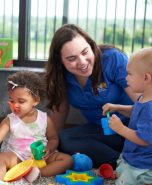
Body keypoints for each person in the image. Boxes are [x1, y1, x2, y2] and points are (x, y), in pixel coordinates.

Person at [45, 24, 139, 169]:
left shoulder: (112, 59)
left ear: (91, 45)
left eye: (85, 52)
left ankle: (130, 159)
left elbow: (143, 104)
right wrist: (49, 144)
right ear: (60, 61)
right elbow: (59, 114)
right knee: (64, 140)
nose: (82, 62)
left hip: (132, 128)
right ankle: (123, 162)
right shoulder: (60, 76)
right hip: (101, 131)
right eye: (71, 58)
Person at [0, 71, 73, 182]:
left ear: (35, 101)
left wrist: (49, 149)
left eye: (21, 101)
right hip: (17, 158)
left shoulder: (45, 119)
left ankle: (37, 173)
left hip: (39, 158)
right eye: (12, 101)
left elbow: (53, 138)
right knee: (0, 158)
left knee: (67, 159)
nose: (15, 105)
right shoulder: (10, 120)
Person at [102, 47, 152, 185]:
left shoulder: (150, 107)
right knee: (121, 169)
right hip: (133, 156)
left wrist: (121, 129)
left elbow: (145, 140)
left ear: (146, 78)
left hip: (143, 164)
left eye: (129, 74)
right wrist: (117, 107)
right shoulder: (145, 97)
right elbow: (136, 111)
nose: (125, 78)